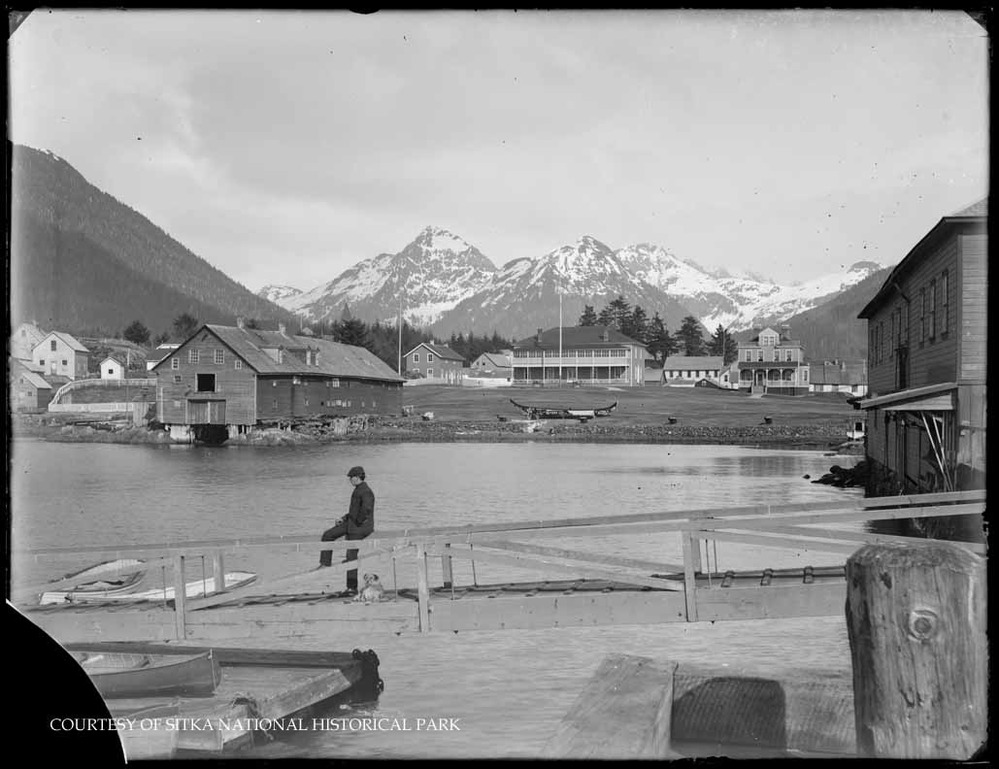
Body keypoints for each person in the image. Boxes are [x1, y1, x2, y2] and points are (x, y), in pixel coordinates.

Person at [319, 466, 375, 594]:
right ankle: (325, 563)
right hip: (352, 524)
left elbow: (366, 510)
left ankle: (351, 588)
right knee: (328, 535)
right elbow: (354, 511)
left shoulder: (366, 491)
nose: (350, 479)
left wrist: (357, 523)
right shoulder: (358, 490)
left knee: (351, 556)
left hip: (360, 527)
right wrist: (344, 518)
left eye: (351, 477)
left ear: (358, 477)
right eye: (350, 477)